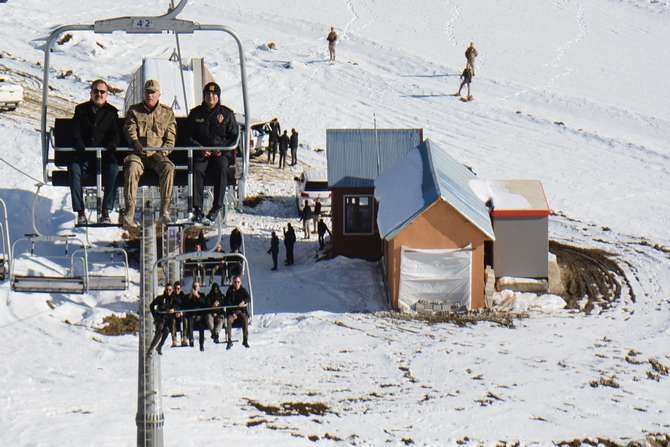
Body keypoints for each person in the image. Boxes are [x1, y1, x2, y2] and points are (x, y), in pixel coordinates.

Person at [122, 79, 176, 228]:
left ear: (159, 94)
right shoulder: (134, 111)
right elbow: (130, 130)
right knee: (131, 167)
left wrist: (163, 151)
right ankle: (129, 211)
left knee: (169, 168)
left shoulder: (167, 113)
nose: (150, 95)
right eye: (147, 92)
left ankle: (164, 210)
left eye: (153, 93)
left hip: (157, 154)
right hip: (138, 152)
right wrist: (135, 143)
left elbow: (170, 138)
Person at [69, 79, 121, 225]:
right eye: (96, 91)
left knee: (113, 169)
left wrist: (112, 145)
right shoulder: (81, 110)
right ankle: (80, 211)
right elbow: (76, 130)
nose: (99, 94)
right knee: (74, 169)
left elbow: (116, 134)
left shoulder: (111, 112)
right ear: (91, 93)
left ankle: (106, 210)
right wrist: (78, 142)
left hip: (104, 156)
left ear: (107, 94)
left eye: (102, 92)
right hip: (85, 155)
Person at [186, 81, 239, 224]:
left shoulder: (226, 114)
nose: (211, 96)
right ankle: (197, 209)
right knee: (196, 169)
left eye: (214, 94)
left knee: (222, 168)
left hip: (219, 154)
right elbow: (188, 136)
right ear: (203, 96)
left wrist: (221, 149)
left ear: (218, 96)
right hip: (201, 153)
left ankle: (217, 207)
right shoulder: (195, 113)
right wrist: (200, 148)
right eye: (208, 94)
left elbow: (234, 137)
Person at [148, 284, 177, 355]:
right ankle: (151, 349)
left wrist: (174, 309)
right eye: (167, 289)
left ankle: (159, 346)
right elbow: (151, 305)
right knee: (159, 332)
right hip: (160, 319)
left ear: (172, 290)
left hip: (167, 320)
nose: (168, 291)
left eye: (170, 290)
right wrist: (154, 315)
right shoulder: (160, 298)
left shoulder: (173, 299)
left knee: (166, 331)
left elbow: (178, 305)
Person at [224, 275, 250, 349]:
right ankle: (229, 340)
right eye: (235, 282)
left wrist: (244, 301)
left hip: (241, 311)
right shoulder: (230, 291)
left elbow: (248, 298)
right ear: (233, 283)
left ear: (240, 282)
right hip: (232, 312)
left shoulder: (243, 290)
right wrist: (232, 313)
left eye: (238, 282)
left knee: (245, 319)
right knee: (228, 320)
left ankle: (245, 340)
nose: (237, 284)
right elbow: (228, 302)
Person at [184, 281, 208, 351]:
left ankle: (201, 344)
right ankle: (191, 339)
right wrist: (191, 296)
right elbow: (186, 305)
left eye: (196, 286)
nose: (195, 288)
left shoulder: (202, 295)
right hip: (192, 315)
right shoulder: (189, 296)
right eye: (194, 286)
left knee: (201, 326)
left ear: (199, 288)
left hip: (200, 315)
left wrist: (197, 296)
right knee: (190, 321)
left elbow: (204, 303)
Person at [172, 280, 188, 346]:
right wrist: (175, 311)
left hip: (182, 314)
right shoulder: (172, 296)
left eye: (178, 288)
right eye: (175, 288)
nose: (177, 290)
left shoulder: (183, 296)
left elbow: (185, 305)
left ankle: (184, 338)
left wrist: (181, 312)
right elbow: (171, 305)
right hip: (174, 314)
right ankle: (174, 340)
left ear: (180, 289)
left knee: (185, 320)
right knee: (173, 321)